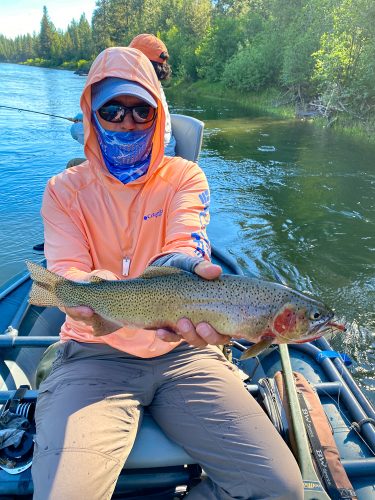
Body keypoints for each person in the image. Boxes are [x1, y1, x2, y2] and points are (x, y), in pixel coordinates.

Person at [31, 46, 303, 499]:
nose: (126, 121)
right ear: (91, 114)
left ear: (159, 116)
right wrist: (84, 299)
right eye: (112, 109)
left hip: (184, 354)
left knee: (280, 490)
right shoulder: (64, 190)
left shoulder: (185, 177)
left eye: (141, 110)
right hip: (94, 356)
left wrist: (181, 265)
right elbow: (67, 270)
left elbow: (186, 241)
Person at [129, 33, 176, 156]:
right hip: (162, 149)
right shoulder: (154, 83)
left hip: (153, 156)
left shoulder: (141, 89)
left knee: (78, 129)